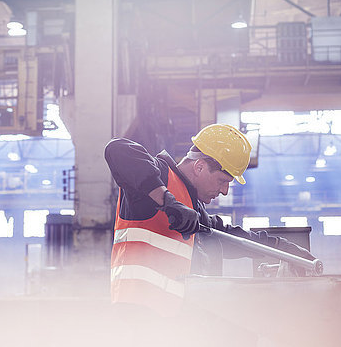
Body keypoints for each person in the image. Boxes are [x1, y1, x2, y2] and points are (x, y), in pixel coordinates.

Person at [104, 123, 315, 318]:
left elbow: (231, 237)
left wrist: (284, 249)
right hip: (139, 317)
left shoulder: (195, 210)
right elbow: (118, 149)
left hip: (173, 323)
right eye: (223, 181)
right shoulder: (159, 177)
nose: (224, 191)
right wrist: (167, 202)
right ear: (199, 167)